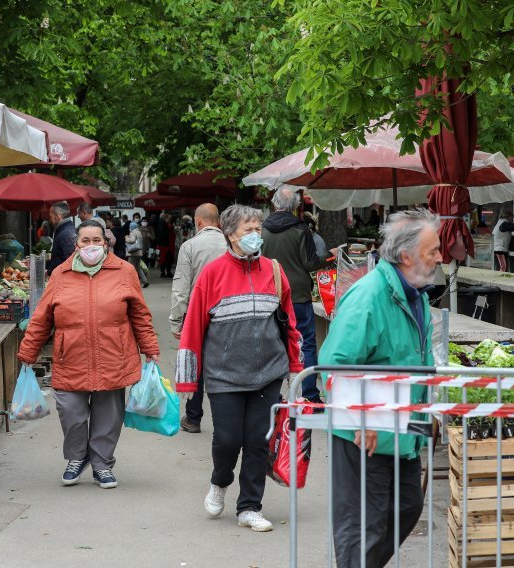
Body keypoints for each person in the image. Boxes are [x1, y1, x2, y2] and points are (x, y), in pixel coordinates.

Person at [319, 209, 442, 567]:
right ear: (406, 256)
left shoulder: (415, 293)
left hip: (400, 430)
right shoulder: (369, 295)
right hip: (365, 433)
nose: (439, 257)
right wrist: (362, 417)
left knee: (406, 507)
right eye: (432, 251)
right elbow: (333, 365)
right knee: (364, 526)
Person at [175, 205, 303, 532]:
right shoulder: (212, 274)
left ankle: (249, 507)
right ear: (230, 234)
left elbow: (289, 322)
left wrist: (295, 366)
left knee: (259, 441)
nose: (255, 236)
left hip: (267, 373)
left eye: (258, 230)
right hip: (224, 376)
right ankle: (220, 482)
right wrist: (188, 381)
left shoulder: (274, 271)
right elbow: (193, 329)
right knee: (229, 439)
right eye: (248, 231)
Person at [17, 219, 159, 489]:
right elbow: (42, 317)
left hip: (113, 355)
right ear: (76, 244)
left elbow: (140, 314)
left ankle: (102, 464)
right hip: (70, 356)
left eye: (97, 240)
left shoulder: (124, 271)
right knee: (70, 412)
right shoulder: (60, 273)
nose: (92, 246)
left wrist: (150, 348)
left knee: (109, 415)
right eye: (86, 241)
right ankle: (77, 457)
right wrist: (28, 351)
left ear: (106, 243)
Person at [262, 186, 334, 404]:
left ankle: (272, 396)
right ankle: (310, 396)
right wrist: (330, 255)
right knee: (306, 344)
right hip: (299, 296)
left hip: (270, 293)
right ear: (295, 207)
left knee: (273, 344)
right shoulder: (301, 229)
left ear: (274, 204)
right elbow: (310, 263)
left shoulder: (262, 229)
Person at [169, 203, 227, 434]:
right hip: (230, 313)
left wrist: (177, 320)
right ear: (219, 221)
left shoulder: (190, 246)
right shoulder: (232, 243)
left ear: (198, 221)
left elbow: (181, 287)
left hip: (198, 313)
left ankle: (193, 418)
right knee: (225, 365)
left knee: (197, 365)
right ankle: (225, 417)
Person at [48, 201, 77, 274]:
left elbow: (70, 262)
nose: (50, 220)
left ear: (57, 216)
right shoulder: (64, 230)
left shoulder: (67, 233)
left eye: (50, 216)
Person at [125, 220, 149, 288]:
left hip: (133, 253)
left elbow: (132, 240)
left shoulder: (133, 232)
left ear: (131, 227)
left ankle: (129, 283)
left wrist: (127, 238)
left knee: (129, 268)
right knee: (138, 268)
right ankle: (145, 281)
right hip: (139, 252)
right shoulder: (139, 232)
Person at [157, 213, 175, 278]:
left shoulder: (167, 224)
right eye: (169, 219)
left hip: (168, 245)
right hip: (164, 245)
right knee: (163, 259)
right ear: (165, 218)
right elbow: (163, 233)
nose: (170, 220)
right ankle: (163, 272)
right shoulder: (162, 224)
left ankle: (167, 271)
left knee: (168, 259)